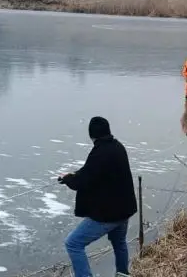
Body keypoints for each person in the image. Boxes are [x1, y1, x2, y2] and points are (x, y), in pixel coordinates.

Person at [58, 116, 137, 277]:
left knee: (73, 243)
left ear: (91, 135)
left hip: (110, 215)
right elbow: (91, 171)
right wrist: (74, 174)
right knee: (119, 242)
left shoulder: (100, 152)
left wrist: (67, 179)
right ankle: (123, 274)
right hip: (125, 210)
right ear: (108, 131)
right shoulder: (117, 146)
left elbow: (82, 181)